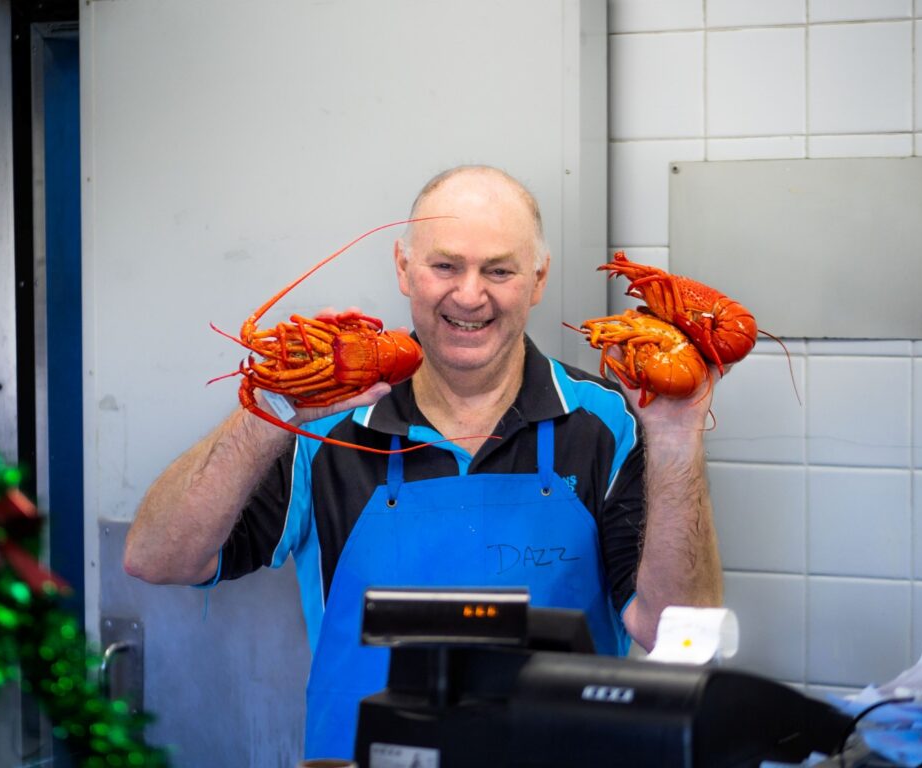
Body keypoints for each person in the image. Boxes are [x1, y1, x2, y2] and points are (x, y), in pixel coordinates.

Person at [124, 165, 723, 759]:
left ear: (538, 280)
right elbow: (157, 558)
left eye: (499, 270)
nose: (469, 294)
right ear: (403, 268)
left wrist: (675, 441)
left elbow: (678, 631)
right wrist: (269, 406)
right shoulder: (323, 426)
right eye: (445, 266)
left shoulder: (610, 420)